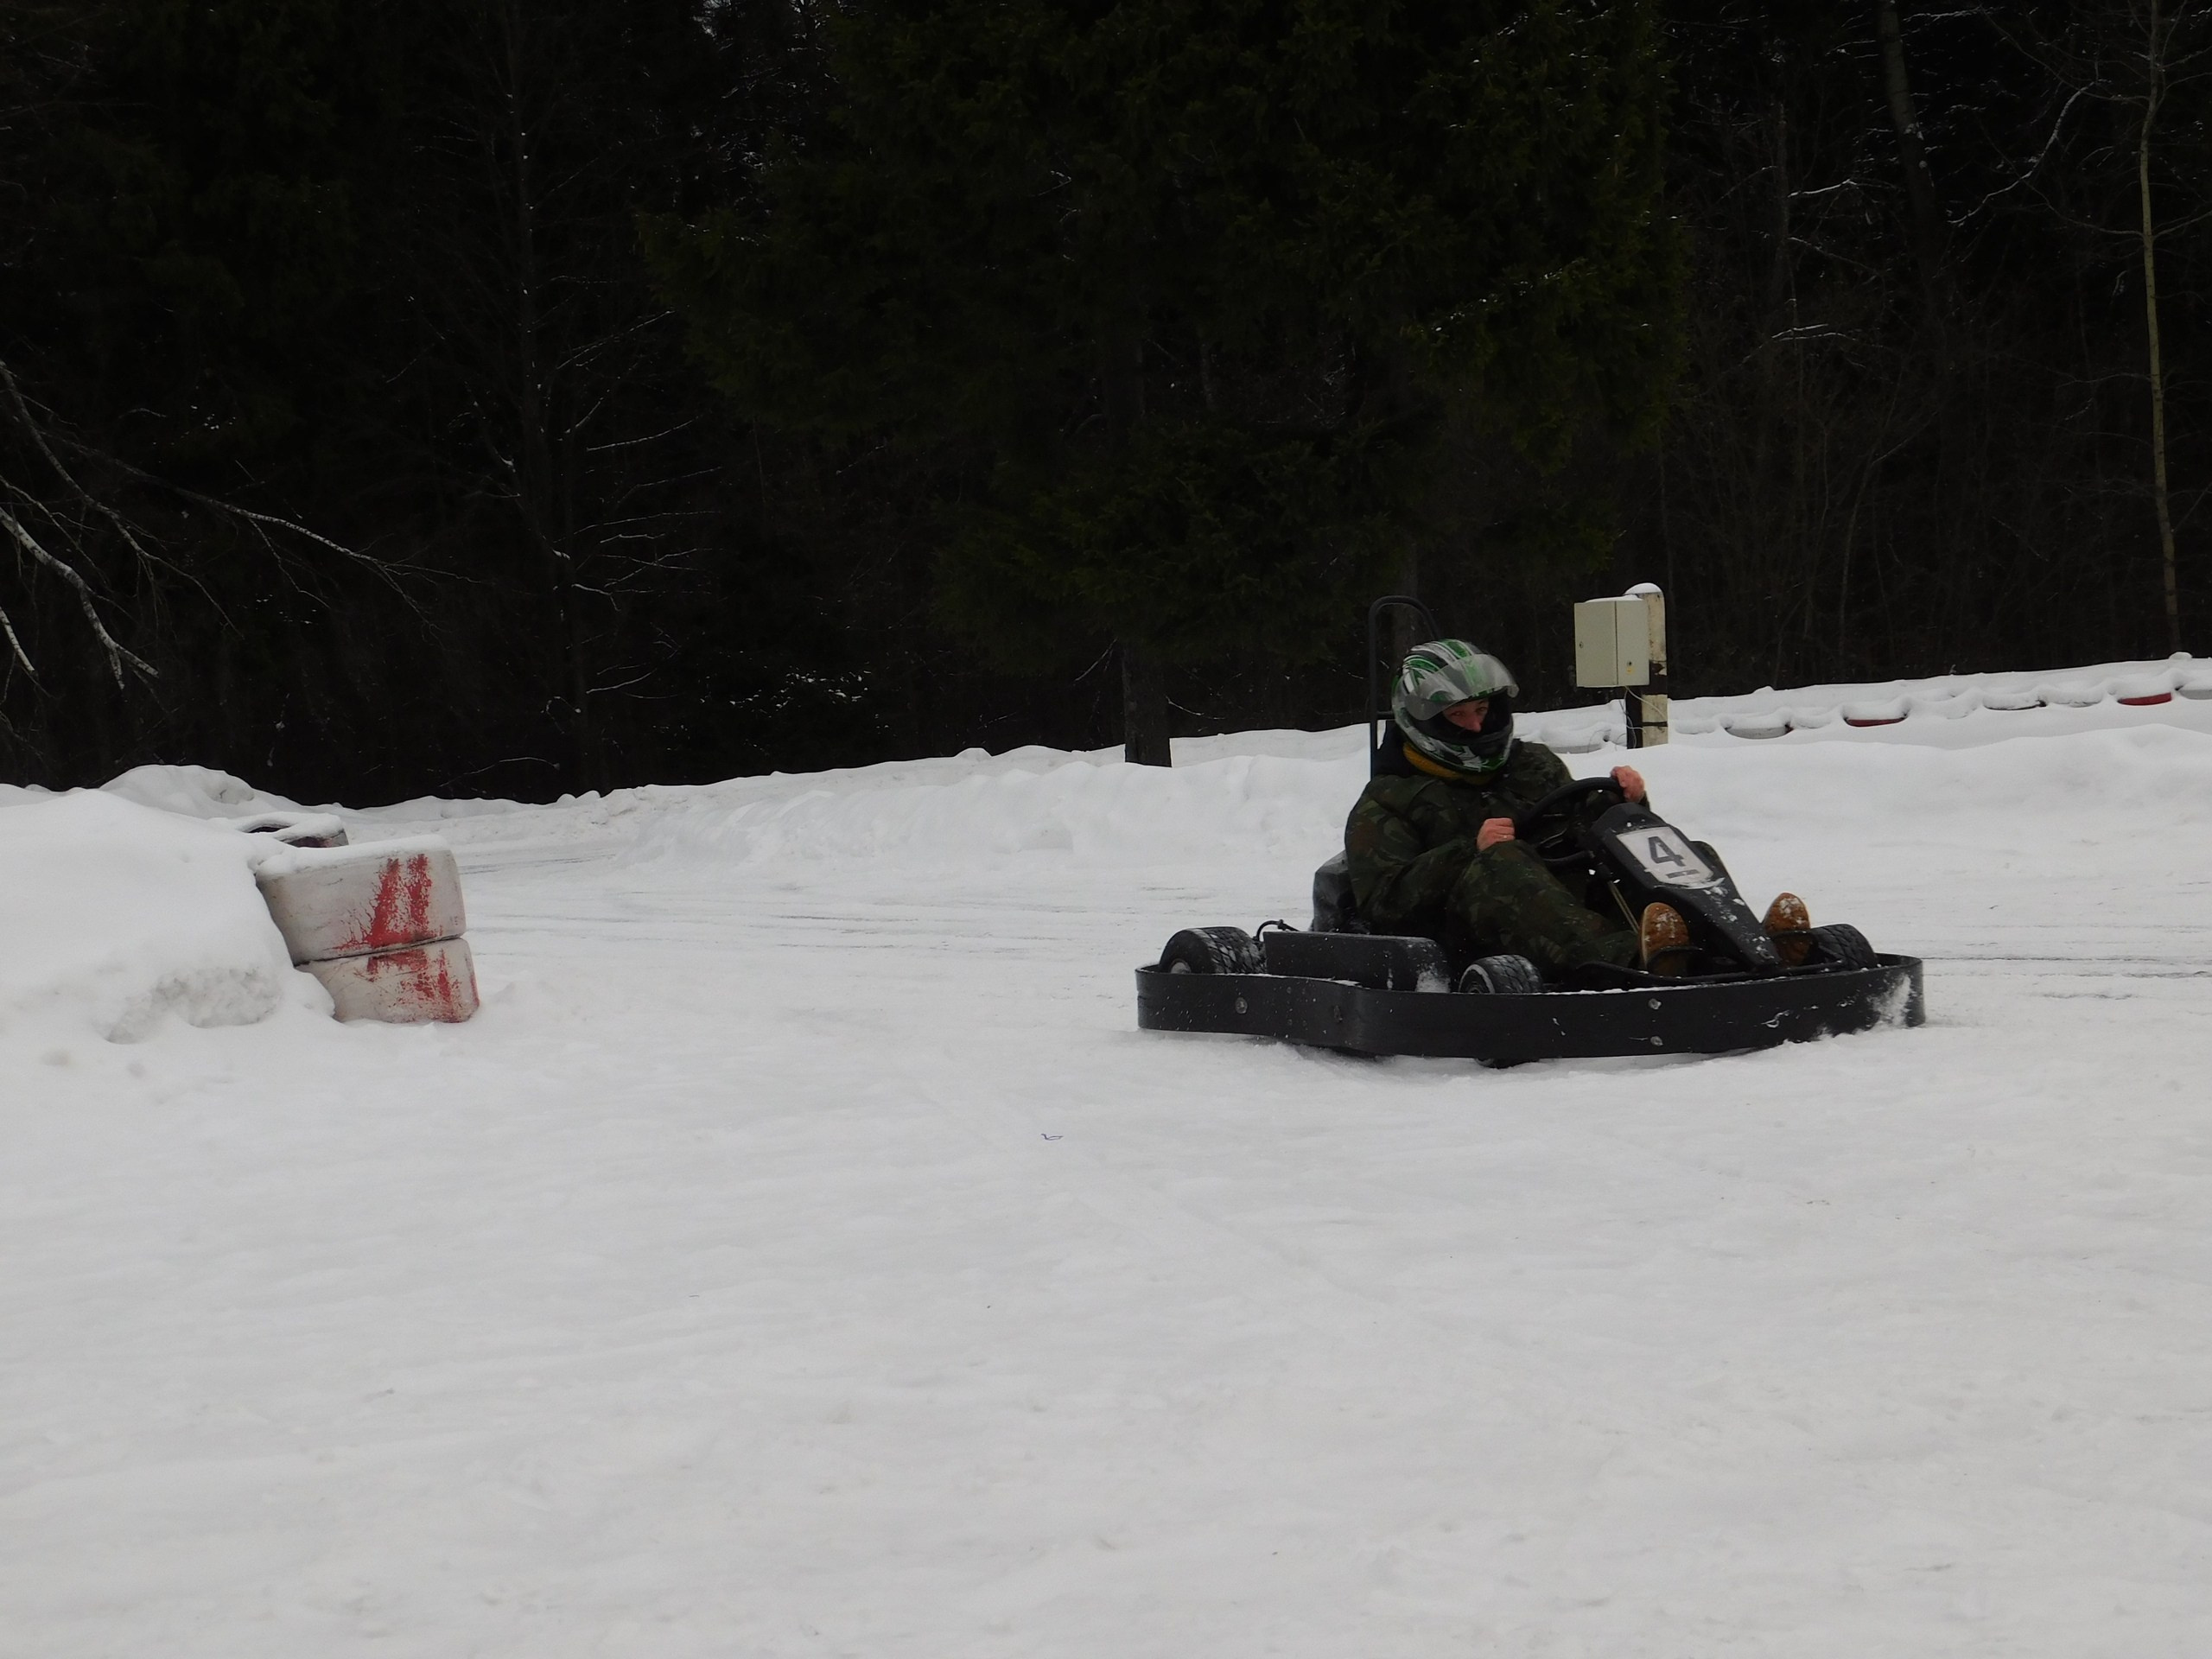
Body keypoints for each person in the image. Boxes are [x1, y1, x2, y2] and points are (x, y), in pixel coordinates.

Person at [1343, 639, 1807, 978]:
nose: (1476, 724)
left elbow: (1583, 824)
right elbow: (1383, 902)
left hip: (1561, 907)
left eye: (1482, 709)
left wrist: (1627, 805)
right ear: (1422, 724)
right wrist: (1469, 851)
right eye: (1457, 717)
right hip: (1464, 931)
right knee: (1503, 861)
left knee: (1657, 847)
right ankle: (1639, 962)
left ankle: (1741, 946)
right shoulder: (1388, 798)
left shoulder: (1532, 764)